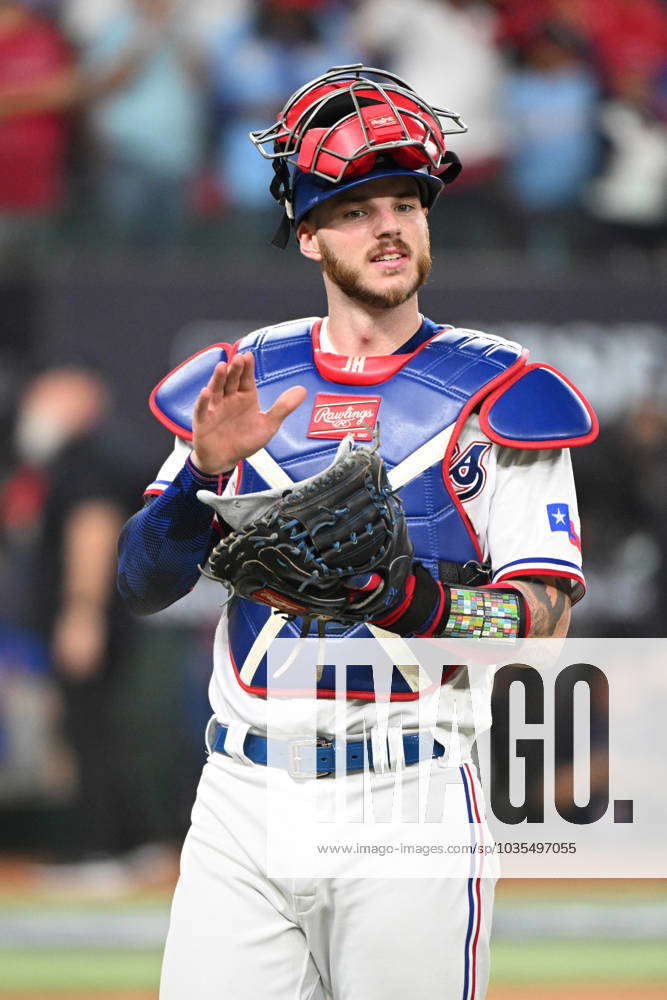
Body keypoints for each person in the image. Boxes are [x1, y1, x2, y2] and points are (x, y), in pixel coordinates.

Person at [117, 66, 597, 1000]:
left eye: (404, 203)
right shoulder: (246, 376)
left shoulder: (497, 393)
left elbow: (539, 622)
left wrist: (397, 597)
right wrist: (202, 480)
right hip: (242, 791)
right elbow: (142, 584)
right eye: (353, 209)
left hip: (405, 791)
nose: (387, 226)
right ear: (307, 234)